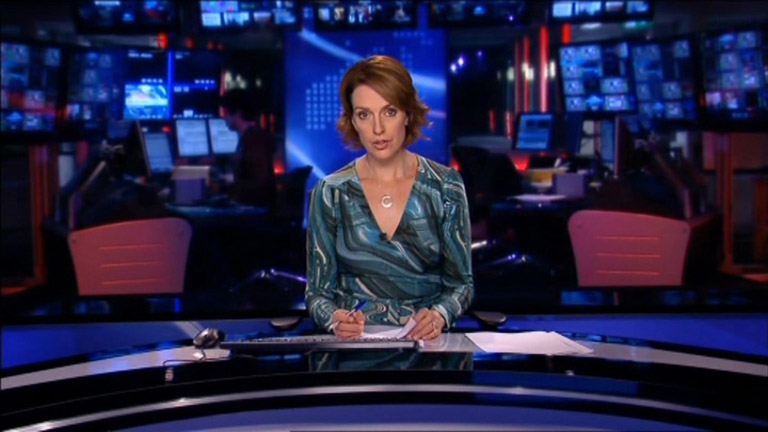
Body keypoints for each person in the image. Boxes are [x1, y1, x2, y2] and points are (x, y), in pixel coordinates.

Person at [305, 55, 474, 341]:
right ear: (353, 121)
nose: (378, 129)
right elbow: (317, 293)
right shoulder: (331, 191)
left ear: (407, 114)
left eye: (389, 112)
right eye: (364, 115)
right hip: (355, 351)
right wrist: (334, 320)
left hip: (427, 348)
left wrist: (439, 315)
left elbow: (462, 285)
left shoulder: (445, 186)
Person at [220, 88, 276, 208]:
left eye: (226, 113)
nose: (224, 118)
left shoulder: (255, 140)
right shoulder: (251, 136)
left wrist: (224, 188)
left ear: (238, 113)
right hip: (252, 207)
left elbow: (259, 184)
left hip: (254, 210)